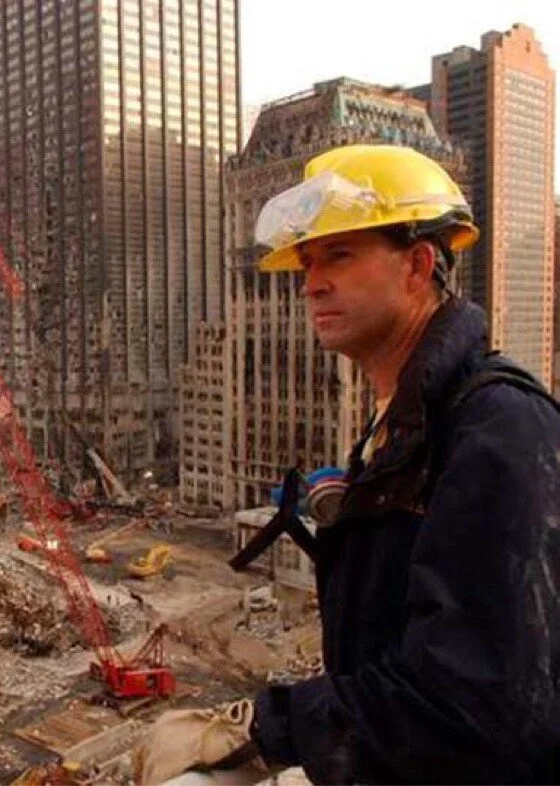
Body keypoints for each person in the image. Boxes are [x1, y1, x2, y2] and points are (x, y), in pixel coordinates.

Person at [133, 144, 560, 785]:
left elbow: (476, 705)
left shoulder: (497, 426)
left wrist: (263, 727)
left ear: (418, 266)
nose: (311, 283)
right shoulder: (402, 427)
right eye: (306, 262)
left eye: (339, 255)